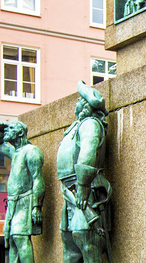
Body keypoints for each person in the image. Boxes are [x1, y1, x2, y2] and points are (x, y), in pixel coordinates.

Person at [57, 81, 112, 263]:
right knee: (70, 251)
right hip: (70, 194)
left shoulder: (90, 124)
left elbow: (87, 154)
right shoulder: (76, 127)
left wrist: (83, 186)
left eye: (80, 99)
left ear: (87, 105)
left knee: (88, 243)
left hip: (85, 192)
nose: (76, 103)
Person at [0, 121, 45, 263]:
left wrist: (36, 206)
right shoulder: (14, 152)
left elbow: (37, 179)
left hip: (25, 201)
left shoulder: (31, 151)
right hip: (13, 203)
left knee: (19, 236)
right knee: (12, 241)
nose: (7, 131)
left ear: (20, 133)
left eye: (11, 129)